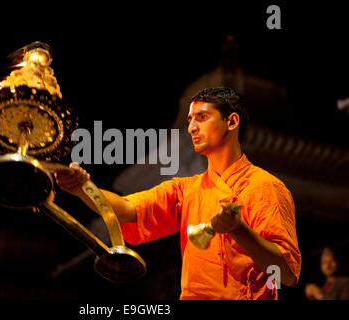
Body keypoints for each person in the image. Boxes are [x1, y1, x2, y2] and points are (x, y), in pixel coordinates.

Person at [55, 87, 301, 299]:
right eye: (190, 119)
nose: (192, 127)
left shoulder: (265, 187)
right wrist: (83, 188)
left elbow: (287, 274)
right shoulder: (185, 189)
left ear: (231, 121)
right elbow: (128, 209)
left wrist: (238, 229)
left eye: (202, 117)